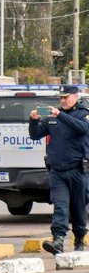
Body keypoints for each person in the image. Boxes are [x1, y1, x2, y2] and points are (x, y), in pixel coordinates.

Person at [29, 84, 89, 254]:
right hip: (57, 171)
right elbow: (35, 135)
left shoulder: (84, 114)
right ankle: (58, 240)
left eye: (65, 97)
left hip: (79, 170)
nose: (62, 100)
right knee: (60, 206)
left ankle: (79, 238)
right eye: (60, 98)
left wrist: (60, 115)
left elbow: (83, 129)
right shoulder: (52, 117)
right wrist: (33, 121)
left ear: (75, 96)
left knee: (78, 208)